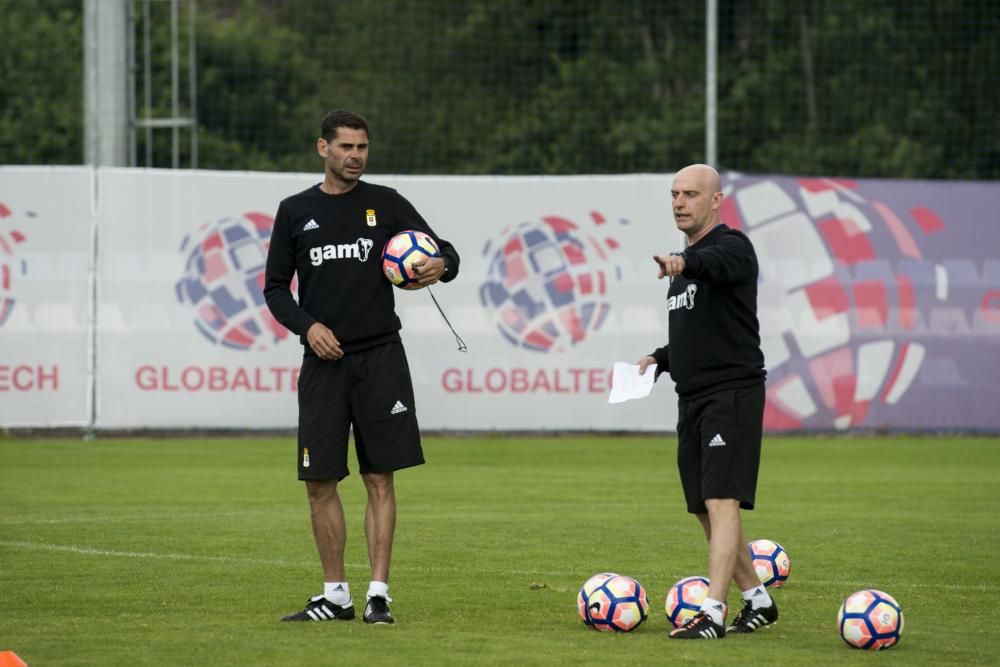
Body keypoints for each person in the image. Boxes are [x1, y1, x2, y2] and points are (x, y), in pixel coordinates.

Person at [264, 109, 460, 624]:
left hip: (380, 359)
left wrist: (439, 265)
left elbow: (446, 254)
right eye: (346, 147)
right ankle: (335, 595)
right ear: (322, 148)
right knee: (320, 481)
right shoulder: (294, 211)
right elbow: (275, 289)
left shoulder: (386, 204)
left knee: (379, 477)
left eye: (363, 147)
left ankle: (377, 595)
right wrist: (308, 327)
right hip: (323, 364)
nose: (356, 156)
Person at [637, 163, 777, 639]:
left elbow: (714, 264)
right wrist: (660, 358)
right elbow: (699, 336)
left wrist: (685, 263)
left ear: (716, 201)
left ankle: (713, 612)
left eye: (691, 194)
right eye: (674, 193)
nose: (679, 202)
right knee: (702, 505)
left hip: (731, 394)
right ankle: (757, 598)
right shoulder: (683, 265)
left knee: (721, 501)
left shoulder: (732, 248)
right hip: (692, 398)